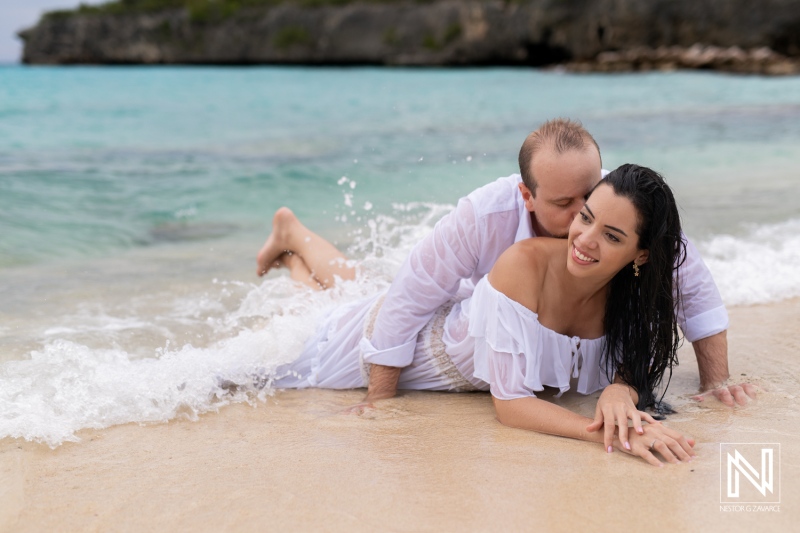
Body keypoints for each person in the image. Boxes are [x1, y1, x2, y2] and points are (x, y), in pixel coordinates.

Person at [260, 119, 755, 412]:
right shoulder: (485, 213)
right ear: (527, 196)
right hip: (450, 322)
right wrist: (380, 400)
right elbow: (412, 293)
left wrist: (715, 383)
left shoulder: (615, 204)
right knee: (339, 312)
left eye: (591, 190)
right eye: (567, 204)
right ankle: (295, 239)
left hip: (472, 326)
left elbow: (690, 283)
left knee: (352, 290)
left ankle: (294, 246)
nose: (586, 217)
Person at [255, 164, 698, 467]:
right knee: (306, 330)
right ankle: (293, 250)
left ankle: (295, 244)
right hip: (378, 349)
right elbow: (511, 406)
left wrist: (622, 389)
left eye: (612, 235)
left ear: (640, 255)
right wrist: (612, 434)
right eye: (585, 216)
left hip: (424, 325)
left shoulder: (632, 296)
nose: (583, 239)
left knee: (358, 290)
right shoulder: (523, 265)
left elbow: (633, 353)